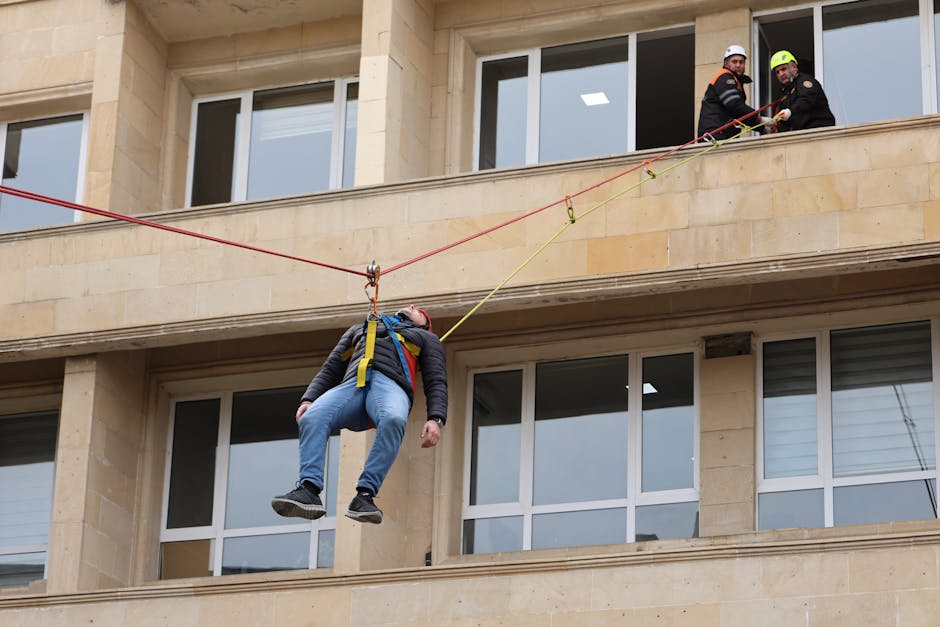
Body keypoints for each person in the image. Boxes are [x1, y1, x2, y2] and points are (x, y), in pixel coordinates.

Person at [271, 304, 447, 525]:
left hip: (390, 386)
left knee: (393, 418)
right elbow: (332, 367)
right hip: (354, 385)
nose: (412, 307)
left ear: (425, 324)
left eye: (420, 311)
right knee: (312, 417)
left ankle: (365, 495)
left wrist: (436, 418)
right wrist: (309, 399)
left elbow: (436, 380)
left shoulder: (427, 339)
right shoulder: (361, 328)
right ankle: (308, 489)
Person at [697, 44, 772, 140]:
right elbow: (734, 105)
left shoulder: (734, 80)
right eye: (734, 61)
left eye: (741, 62)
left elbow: (739, 114)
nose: (738, 65)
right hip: (715, 134)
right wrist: (759, 119)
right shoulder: (725, 77)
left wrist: (762, 127)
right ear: (726, 63)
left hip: (719, 134)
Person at [769, 50, 836, 131]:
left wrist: (789, 111)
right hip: (804, 133)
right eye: (777, 72)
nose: (781, 74)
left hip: (820, 130)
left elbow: (806, 100)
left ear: (794, 67)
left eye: (783, 69)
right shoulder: (785, 93)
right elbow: (787, 119)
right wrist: (772, 124)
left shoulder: (805, 80)